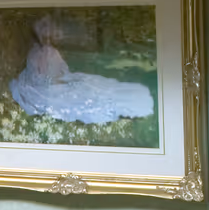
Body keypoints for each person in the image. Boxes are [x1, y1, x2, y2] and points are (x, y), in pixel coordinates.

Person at [8, 14, 155, 126]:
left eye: (48, 36)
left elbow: (62, 67)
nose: (47, 39)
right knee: (81, 97)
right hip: (46, 88)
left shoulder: (51, 51)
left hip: (61, 81)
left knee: (91, 84)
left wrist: (63, 77)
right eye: (44, 36)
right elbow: (36, 77)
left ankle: (130, 100)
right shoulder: (34, 54)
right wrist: (54, 81)